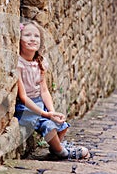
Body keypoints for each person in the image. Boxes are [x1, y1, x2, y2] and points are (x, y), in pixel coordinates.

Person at [14, 21, 89, 159]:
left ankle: (56, 148)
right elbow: (23, 97)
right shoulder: (19, 64)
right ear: (19, 39)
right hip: (26, 108)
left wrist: (52, 111)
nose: (32, 39)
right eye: (27, 35)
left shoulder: (40, 63)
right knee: (49, 125)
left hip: (40, 104)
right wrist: (46, 115)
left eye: (36, 36)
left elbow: (44, 91)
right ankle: (63, 153)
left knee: (63, 125)